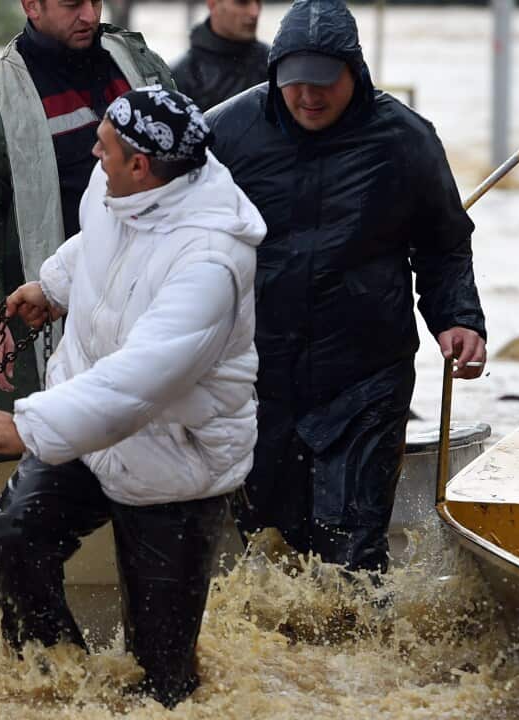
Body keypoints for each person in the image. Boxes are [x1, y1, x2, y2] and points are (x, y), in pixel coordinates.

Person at [0, 87, 262, 707]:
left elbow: (137, 383)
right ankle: (61, 686)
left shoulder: (211, 261)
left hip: (175, 462)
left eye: (104, 149)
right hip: (87, 424)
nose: (92, 155)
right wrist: (53, 285)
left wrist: (26, 428)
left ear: (141, 165)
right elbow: (106, 241)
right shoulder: (121, 188)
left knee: (162, 680)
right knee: (14, 540)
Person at [207, 0, 487, 574]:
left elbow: (443, 244)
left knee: (350, 553)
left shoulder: (405, 138)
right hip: (256, 374)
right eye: (295, 83)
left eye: (324, 82)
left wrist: (458, 319)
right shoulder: (225, 132)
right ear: (276, 74)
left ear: (354, 73)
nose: (309, 96)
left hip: (364, 376)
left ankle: (362, 660)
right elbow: (168, 229)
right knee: (266, 551)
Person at [0, 0, 175, 411]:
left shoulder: (139, 64)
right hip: (45, 315)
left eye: (95, 1)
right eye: (71, 5)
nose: (89, 15)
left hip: (153, 295)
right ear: (31, 6)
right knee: (44, 442)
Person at [171, 0, 268, 112]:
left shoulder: (275, 63)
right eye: (242, 2)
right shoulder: (181, 77)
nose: (254, 12)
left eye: (258, 2)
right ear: (213, 4)